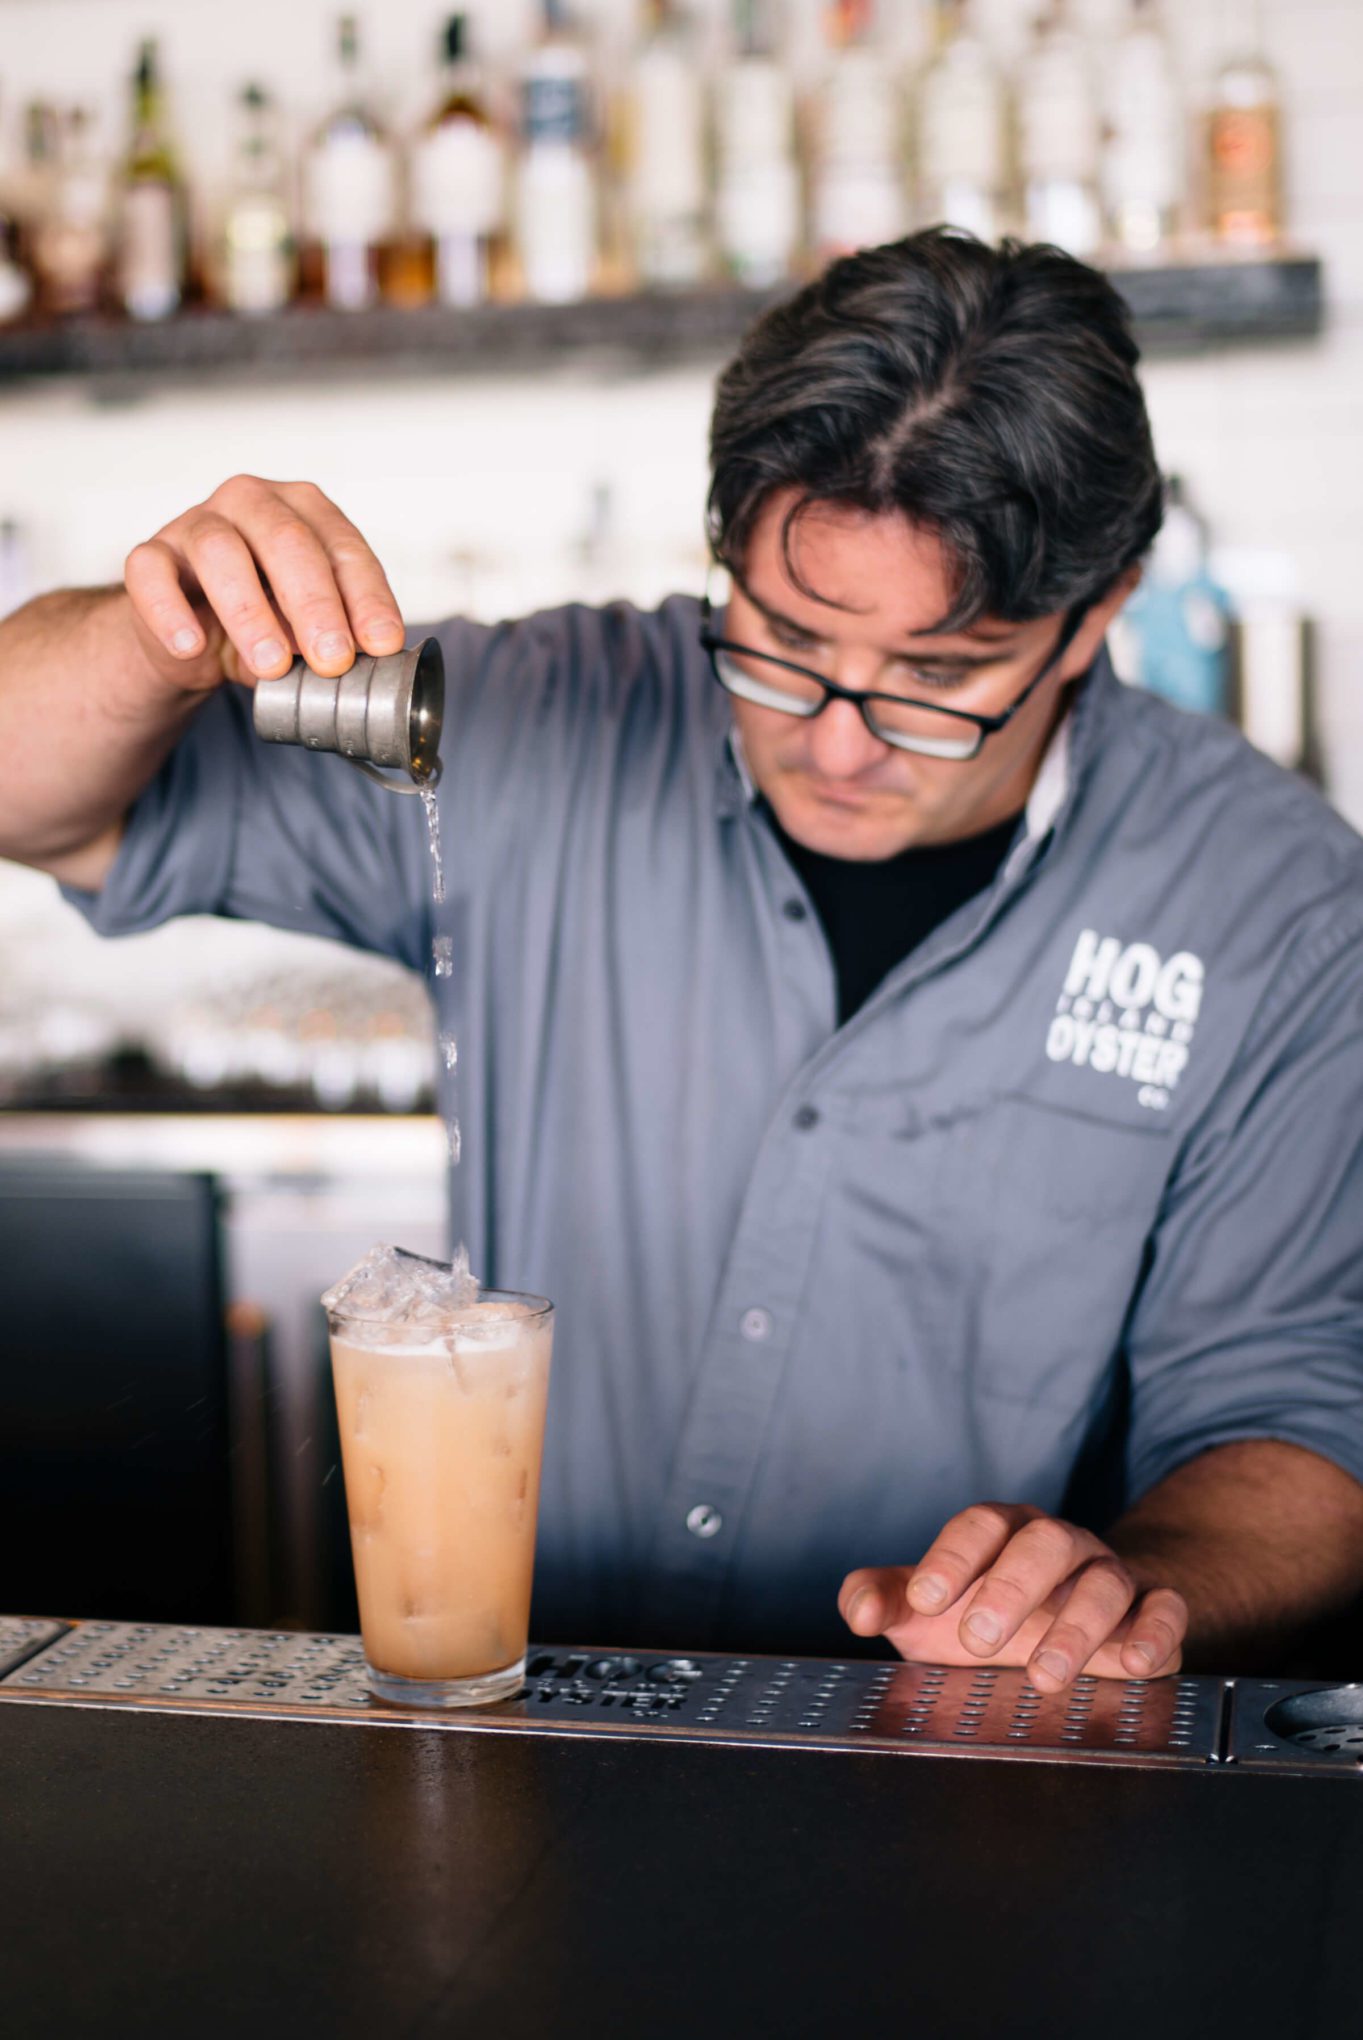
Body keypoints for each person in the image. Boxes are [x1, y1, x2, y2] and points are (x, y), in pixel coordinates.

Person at [2, 231, 1361, 1687]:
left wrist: (1131, 1588)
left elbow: (1292, 1421)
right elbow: (36, 794)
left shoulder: (1270, 902)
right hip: (534, 1728)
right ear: (723, 554)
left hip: (969, 1775)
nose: (838, 744)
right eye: (781, 639)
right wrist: (156, 638)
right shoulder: (544, 717)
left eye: (939, 679)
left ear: (1099, 614)